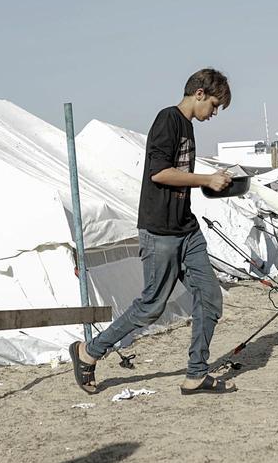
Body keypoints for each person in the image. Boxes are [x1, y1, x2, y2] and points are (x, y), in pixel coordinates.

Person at [69, 69, 236, 395]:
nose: (213, 114)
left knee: (211, 297)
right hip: (160, 232)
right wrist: (205, 179)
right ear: (199, 93)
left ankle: (196, 374)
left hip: (186, 229)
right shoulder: (168, 120)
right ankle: (88, 352)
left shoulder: (187, 126)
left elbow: (178, 176)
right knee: (151, 305)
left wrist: (213, 183)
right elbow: (159, 173)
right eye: (214, 105)